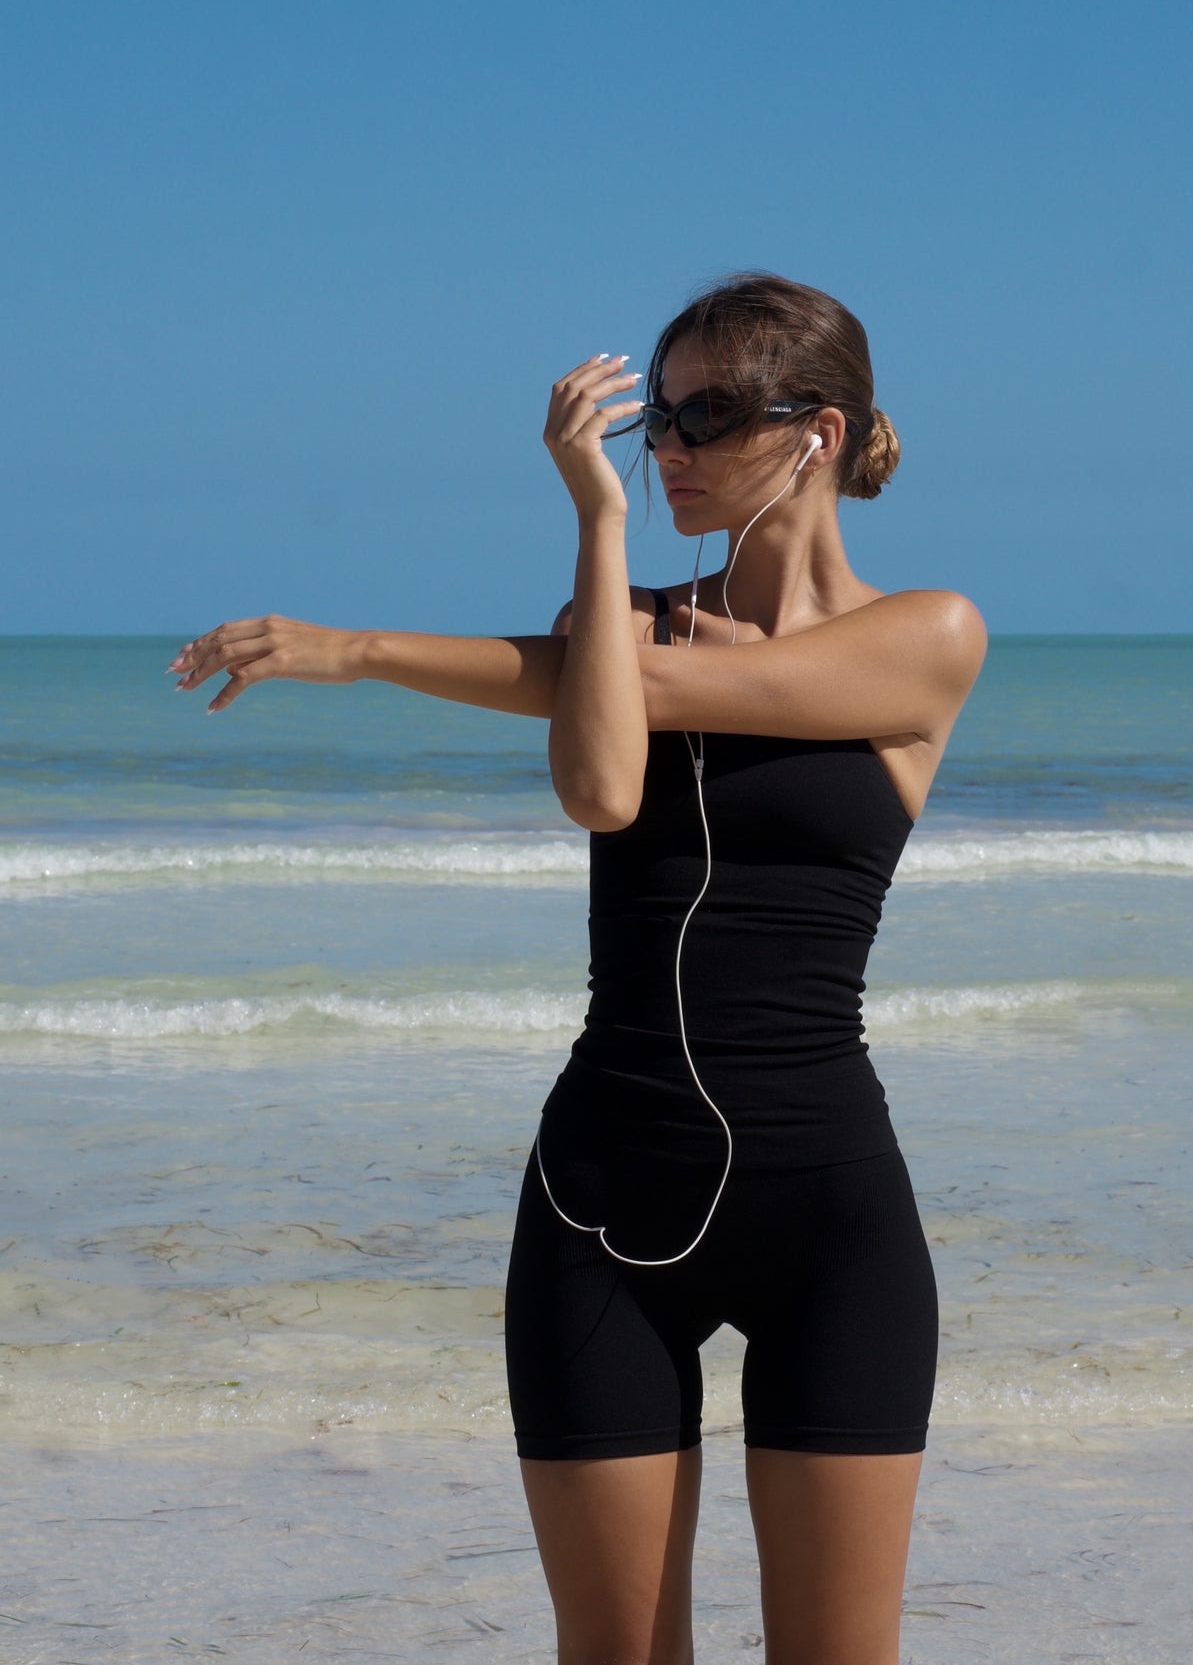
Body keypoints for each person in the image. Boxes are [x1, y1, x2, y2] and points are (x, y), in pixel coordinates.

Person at [169, 272, 986, 1665]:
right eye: (652, 417)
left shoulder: (928, 635)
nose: (662, 446)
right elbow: (605, 782)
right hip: (602, 1193)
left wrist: (373, 646)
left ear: (820, 432)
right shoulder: (623, 615)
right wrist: (598, 534)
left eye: (704, 414)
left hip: (825, 1211)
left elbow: (639, 692)